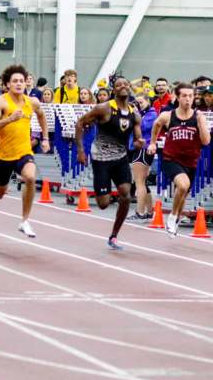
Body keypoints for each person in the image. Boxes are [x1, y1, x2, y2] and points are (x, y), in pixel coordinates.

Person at [75, 76, 142, 250]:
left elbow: (136, 139)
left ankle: (114, 236)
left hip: (120, 157)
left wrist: (140, 143)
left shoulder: (134, 113)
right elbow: (80, 123)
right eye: (118, 85)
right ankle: (102, 185)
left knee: (126, 195)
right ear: (113, 89)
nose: (122, 86)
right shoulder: (103, 108)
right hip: (101, 159)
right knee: (103, 204)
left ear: (129, 87)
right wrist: (81, 150)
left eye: (125, 84)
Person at [0, 65, 50, 238]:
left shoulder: (32, 102)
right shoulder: (1, 102)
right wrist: (10, 119)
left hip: (24, 152)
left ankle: (25, 220)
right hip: (5, 155)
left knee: (30, 177)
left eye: (22, 81)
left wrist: (45, 138)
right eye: (15, 81)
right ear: (7, 84)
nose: (19, 84)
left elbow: (42, 115)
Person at [148, 83, 210, 237]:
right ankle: (172, 216)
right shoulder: (168, 115)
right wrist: (153, 143)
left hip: (191, 161)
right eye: (184, 96)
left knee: (183, 193)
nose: (188, 99)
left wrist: (201, 123)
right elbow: (156, 125)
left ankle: (175, 220)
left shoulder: (198, 116)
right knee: (183, 185)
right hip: (171, 158)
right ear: (177, 97)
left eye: (191, 96)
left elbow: (206, 141)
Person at [129, 93, 157, 221]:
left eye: (141, 103)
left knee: (139, 181)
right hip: (138, 147)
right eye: (136, 103)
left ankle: (140, 212)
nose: (138, 105)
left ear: (148, 101)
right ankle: (150, 211)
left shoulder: (151, 114)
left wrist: (135, 114)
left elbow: (143, 127)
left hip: (143, 147)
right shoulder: (142, 113)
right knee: (143, 183)